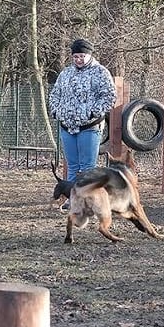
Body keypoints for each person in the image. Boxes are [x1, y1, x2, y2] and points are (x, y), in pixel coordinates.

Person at [49, 38, 116, 207]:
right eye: (75, 56)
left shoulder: (101, 72)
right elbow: (54, 94)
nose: (78, 59)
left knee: (87, 167)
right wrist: (56, 111)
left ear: (89, 55)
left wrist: (93, 111)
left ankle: (87, 200)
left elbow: (109, 96)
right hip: (67, 126)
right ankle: (73, 199)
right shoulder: (65, 73)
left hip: (90, 127)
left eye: (82, 56)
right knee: (72, 166)